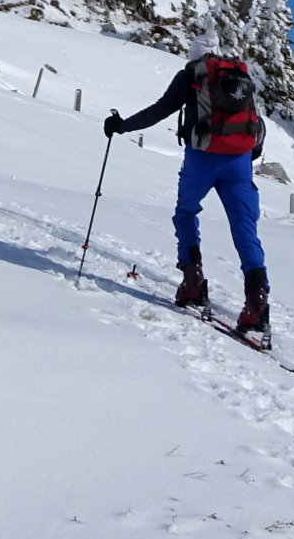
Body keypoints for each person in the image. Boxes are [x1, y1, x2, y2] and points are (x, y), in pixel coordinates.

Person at [104, 41, 270, 339]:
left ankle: (193, 282)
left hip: (202, 159)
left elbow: (160, 110)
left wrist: (122, 126)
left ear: (193, 57)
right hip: (239, 162)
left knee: (186, 212)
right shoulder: (237, 74)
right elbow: (255, 122)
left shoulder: (191, 75)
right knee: (245, 227)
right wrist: (246, 155)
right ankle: (257, 302)